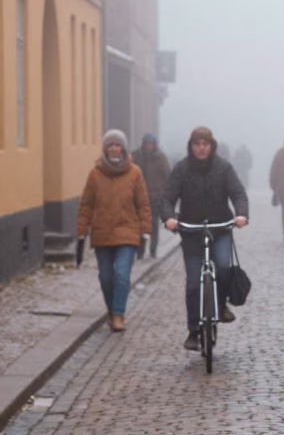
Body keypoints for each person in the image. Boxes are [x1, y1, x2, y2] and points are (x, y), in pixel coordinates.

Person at [161, 126, 249, 351]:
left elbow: (238, 193)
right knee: (192, 282)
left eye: (205, 144)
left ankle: (220, 306)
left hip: (219, 229)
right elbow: (168, 197)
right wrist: (169, 217)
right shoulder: (182, 169)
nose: (201, 148)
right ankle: (193, 330)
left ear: (211, 146)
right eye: (197, 144)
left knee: (223, 267)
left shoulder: (223, 168)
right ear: (191, 146)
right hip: (191, 232)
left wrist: (241, 214)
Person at [77, 129, 152, 332]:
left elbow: (143, 203)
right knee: (106, 277)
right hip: (102, 232)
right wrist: (81, 230)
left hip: (127, 231)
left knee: (121, 275)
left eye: (117, 145)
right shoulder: (95, 174)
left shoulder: (135, 173)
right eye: (110, 145)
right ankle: (111, 309)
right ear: (105, 148)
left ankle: (118, 314)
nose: (114, 148)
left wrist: (146, 228)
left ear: (124, 149)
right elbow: (86, 204)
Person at [131, 133, 171, 259]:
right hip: (139, 196)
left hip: (155, 196)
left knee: (153, 224)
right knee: (140, 225)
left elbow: (167, 177)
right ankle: (140, 251)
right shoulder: (137, 156)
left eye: (151, 143)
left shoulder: (161, 158)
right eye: (147, 143)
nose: (149, 146)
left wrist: (165, 195)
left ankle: (153, 250)